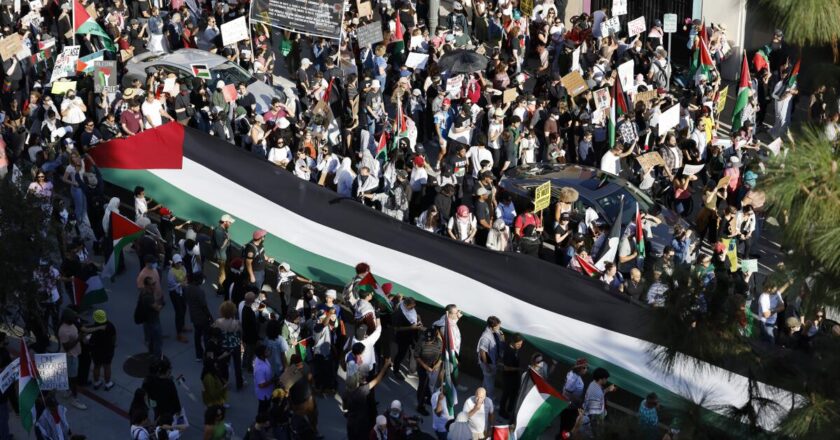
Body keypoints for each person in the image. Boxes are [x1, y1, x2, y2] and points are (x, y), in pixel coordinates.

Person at [343, 359, 391, 439]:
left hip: (351, 424)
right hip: (361, 424)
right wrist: (385, 366)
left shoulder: (347, 391)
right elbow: (377, 380)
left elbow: (345, 407)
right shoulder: (362, 391)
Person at [58, 310, 87, 410]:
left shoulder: (72, 324)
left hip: (74, 355)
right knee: (73, 379)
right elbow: (66, 347)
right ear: (68, 319)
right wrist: (79, 339)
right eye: (73, 318)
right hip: (70, 356)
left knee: (70, 376)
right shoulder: (63, 331)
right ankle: (74, 399)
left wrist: (82, 338)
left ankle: (68, 391)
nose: (76, 319)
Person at [391, 297, 423, 380]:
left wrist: (419, 321)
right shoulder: (398, 313)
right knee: (401, 354)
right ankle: (396, 370)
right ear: (406, 305)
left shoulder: (411, 309)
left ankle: (412, 371)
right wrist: (411, 328)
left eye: (414, 307)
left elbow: (416, 316)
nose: (413, 308)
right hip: (403, 337)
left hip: (413, 336)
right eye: (411, 307)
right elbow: (396, 328)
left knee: (414, 353)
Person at [185, 273, 213, 361]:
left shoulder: (187, 288)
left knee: (197, 335)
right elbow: (204, 306)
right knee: (206, 336)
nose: (202, 281)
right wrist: (210, 317)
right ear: (197, 280)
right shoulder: (199, 291)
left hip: (194, 316)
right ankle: (208, 355)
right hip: (203, 317)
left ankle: (199, 355)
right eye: (202, 279)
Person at [88, 309, 116, 390]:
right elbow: (114, 337)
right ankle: (108, 383)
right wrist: (113, 345)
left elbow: (91, 339)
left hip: (96, 351)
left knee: (97, 366)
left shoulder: (94, 327)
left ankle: (96, 382)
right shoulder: (110, 326)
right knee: (107, 366)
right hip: (108, 350)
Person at [477, 316, 504, 400]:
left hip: (493, 361)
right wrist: (487, 366)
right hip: (488, 363)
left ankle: (481, 394)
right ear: (493, 326)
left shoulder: (496, 332)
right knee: (490, 382)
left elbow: (500, 343)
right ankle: (490, 398)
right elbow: (482, 352)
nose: (499, 328)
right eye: (498, 326)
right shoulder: (485, 337)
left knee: (487, 380)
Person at [583, 367, 616, 433]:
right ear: (601, 379)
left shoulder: (593, 383)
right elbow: (597, 415)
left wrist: (607, 389)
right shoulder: (598, 393)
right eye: (606, 379)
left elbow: (600, 393)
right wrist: (601, 426)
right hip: (592, 422)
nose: (606, 380)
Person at [498, 333, 523, 420]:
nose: (520, 346)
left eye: (521, 344)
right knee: (506, 394)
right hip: (508, 377)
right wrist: (518, 369)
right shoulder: (508, 351)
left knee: (513, 394)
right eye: (518, 344)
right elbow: (506, 368)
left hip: (514, 376)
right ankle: (502, 411)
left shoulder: (515, 349)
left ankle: (510, 410)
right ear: (513, 342)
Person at [212, 214, 235, 292]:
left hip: (224, 255)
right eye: (230, 222)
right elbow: (220, 246)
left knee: (223, 273)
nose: (231, 224)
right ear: (225, 222)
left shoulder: (224, 229)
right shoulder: (218, 231)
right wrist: (227, 239)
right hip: (221, 256)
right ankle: (220, 290)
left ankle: (222, 287)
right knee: (222, 274)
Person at [253, 345, 273, 416]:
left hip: (268, 392)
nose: (268, 352)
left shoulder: (263, 359)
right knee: (263, 411)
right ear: (261, 355)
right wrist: (272, 381)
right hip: (264, 395)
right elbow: (261, 385)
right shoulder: (259, 369)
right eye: (266, 352)